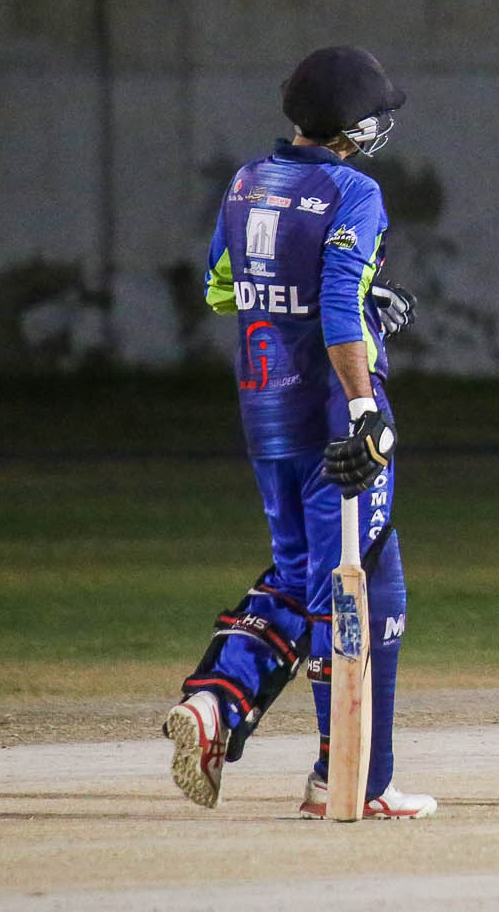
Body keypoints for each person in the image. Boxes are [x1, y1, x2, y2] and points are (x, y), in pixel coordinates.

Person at [163, 44, 434, 820]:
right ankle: (349, 779)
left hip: (265, 410)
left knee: (296, 573)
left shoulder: (247, 181)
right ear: (355, 126)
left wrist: (356, 301)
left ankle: (217, 698)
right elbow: (339, 305)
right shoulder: (354, 190)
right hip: (333, 414)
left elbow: (226, 290)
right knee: (360, 589)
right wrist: (365, 407)